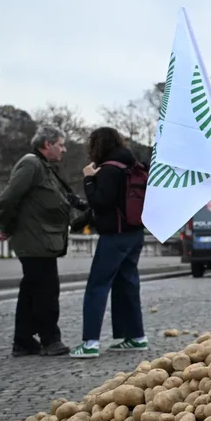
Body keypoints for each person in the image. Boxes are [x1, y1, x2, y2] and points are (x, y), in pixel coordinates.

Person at [0, 125, 84, 357]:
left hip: (39, 240)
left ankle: (23, 341)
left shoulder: (42, 166)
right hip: (35, 241)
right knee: (46, 291)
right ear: (47, 144)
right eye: (60, 145)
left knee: (31, 290)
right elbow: (8, 199)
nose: (64, 149)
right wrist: (5, 227)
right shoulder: (31, 164)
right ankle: (49, 339)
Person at [69, 127, 148, 359]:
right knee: (127, 285)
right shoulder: (132, 166)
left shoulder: (109, 170)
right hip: (135, 233)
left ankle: (90, 342)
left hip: (115, 235)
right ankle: (136, 336)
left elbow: (101, 203)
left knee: (97, 286)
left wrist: (88, 179)